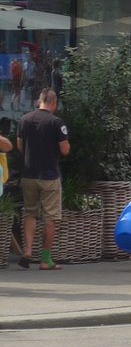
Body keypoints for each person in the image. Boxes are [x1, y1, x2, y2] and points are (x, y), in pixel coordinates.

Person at [16, 88, 67, 270]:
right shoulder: (56, 122)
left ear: (39, 101)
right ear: (53, 103)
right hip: (49, 175)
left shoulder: (24, 120)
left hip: (28, 174)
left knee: (30, 213)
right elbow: (65, 149)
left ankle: (27, 250)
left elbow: (20, 146)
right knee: (50, 218)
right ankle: (45, 259)